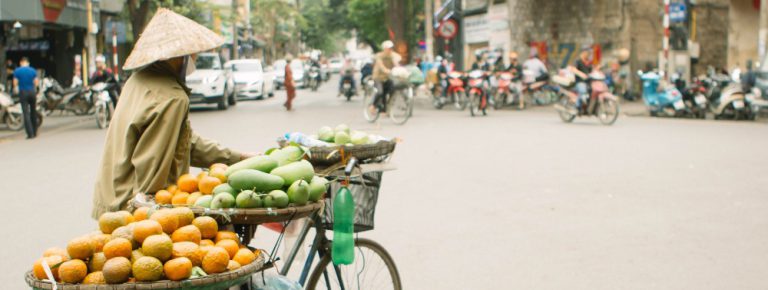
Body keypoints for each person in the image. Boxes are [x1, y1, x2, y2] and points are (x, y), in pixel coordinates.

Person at [92, 9, 251, 218]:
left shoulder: (137, 81)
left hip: (112, 197)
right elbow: (152, 167)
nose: (194, 58)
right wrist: (149, 213)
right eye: (193, 54)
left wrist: (239, 157)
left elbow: (185, 142)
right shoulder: (172, 97)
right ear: (178, 57)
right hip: (133, 208)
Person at [371, 40, 401, 113]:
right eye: (388, 48)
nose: (390, 50)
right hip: (378, 77)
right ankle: (373, 105)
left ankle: (386, 107)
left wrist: (399, 69)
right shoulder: (379, 56)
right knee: (380, 92)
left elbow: (396, 61)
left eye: (391, 48)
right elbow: (381, 66)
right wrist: (388, 71)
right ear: (384, 49)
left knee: (393, 89)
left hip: (387, 77)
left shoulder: (392, 55)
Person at [13, 57, 38, 139]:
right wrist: (35, 89)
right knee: (33, 111)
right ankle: (35, 131)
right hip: (32, 92)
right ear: (28, 62)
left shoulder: (17, 71)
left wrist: (16, 89)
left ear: (21, 62)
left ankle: (30, 133)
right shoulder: (33, 70)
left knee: (26, 112)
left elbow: (15, 82)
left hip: (23, 92)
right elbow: (36, 82)